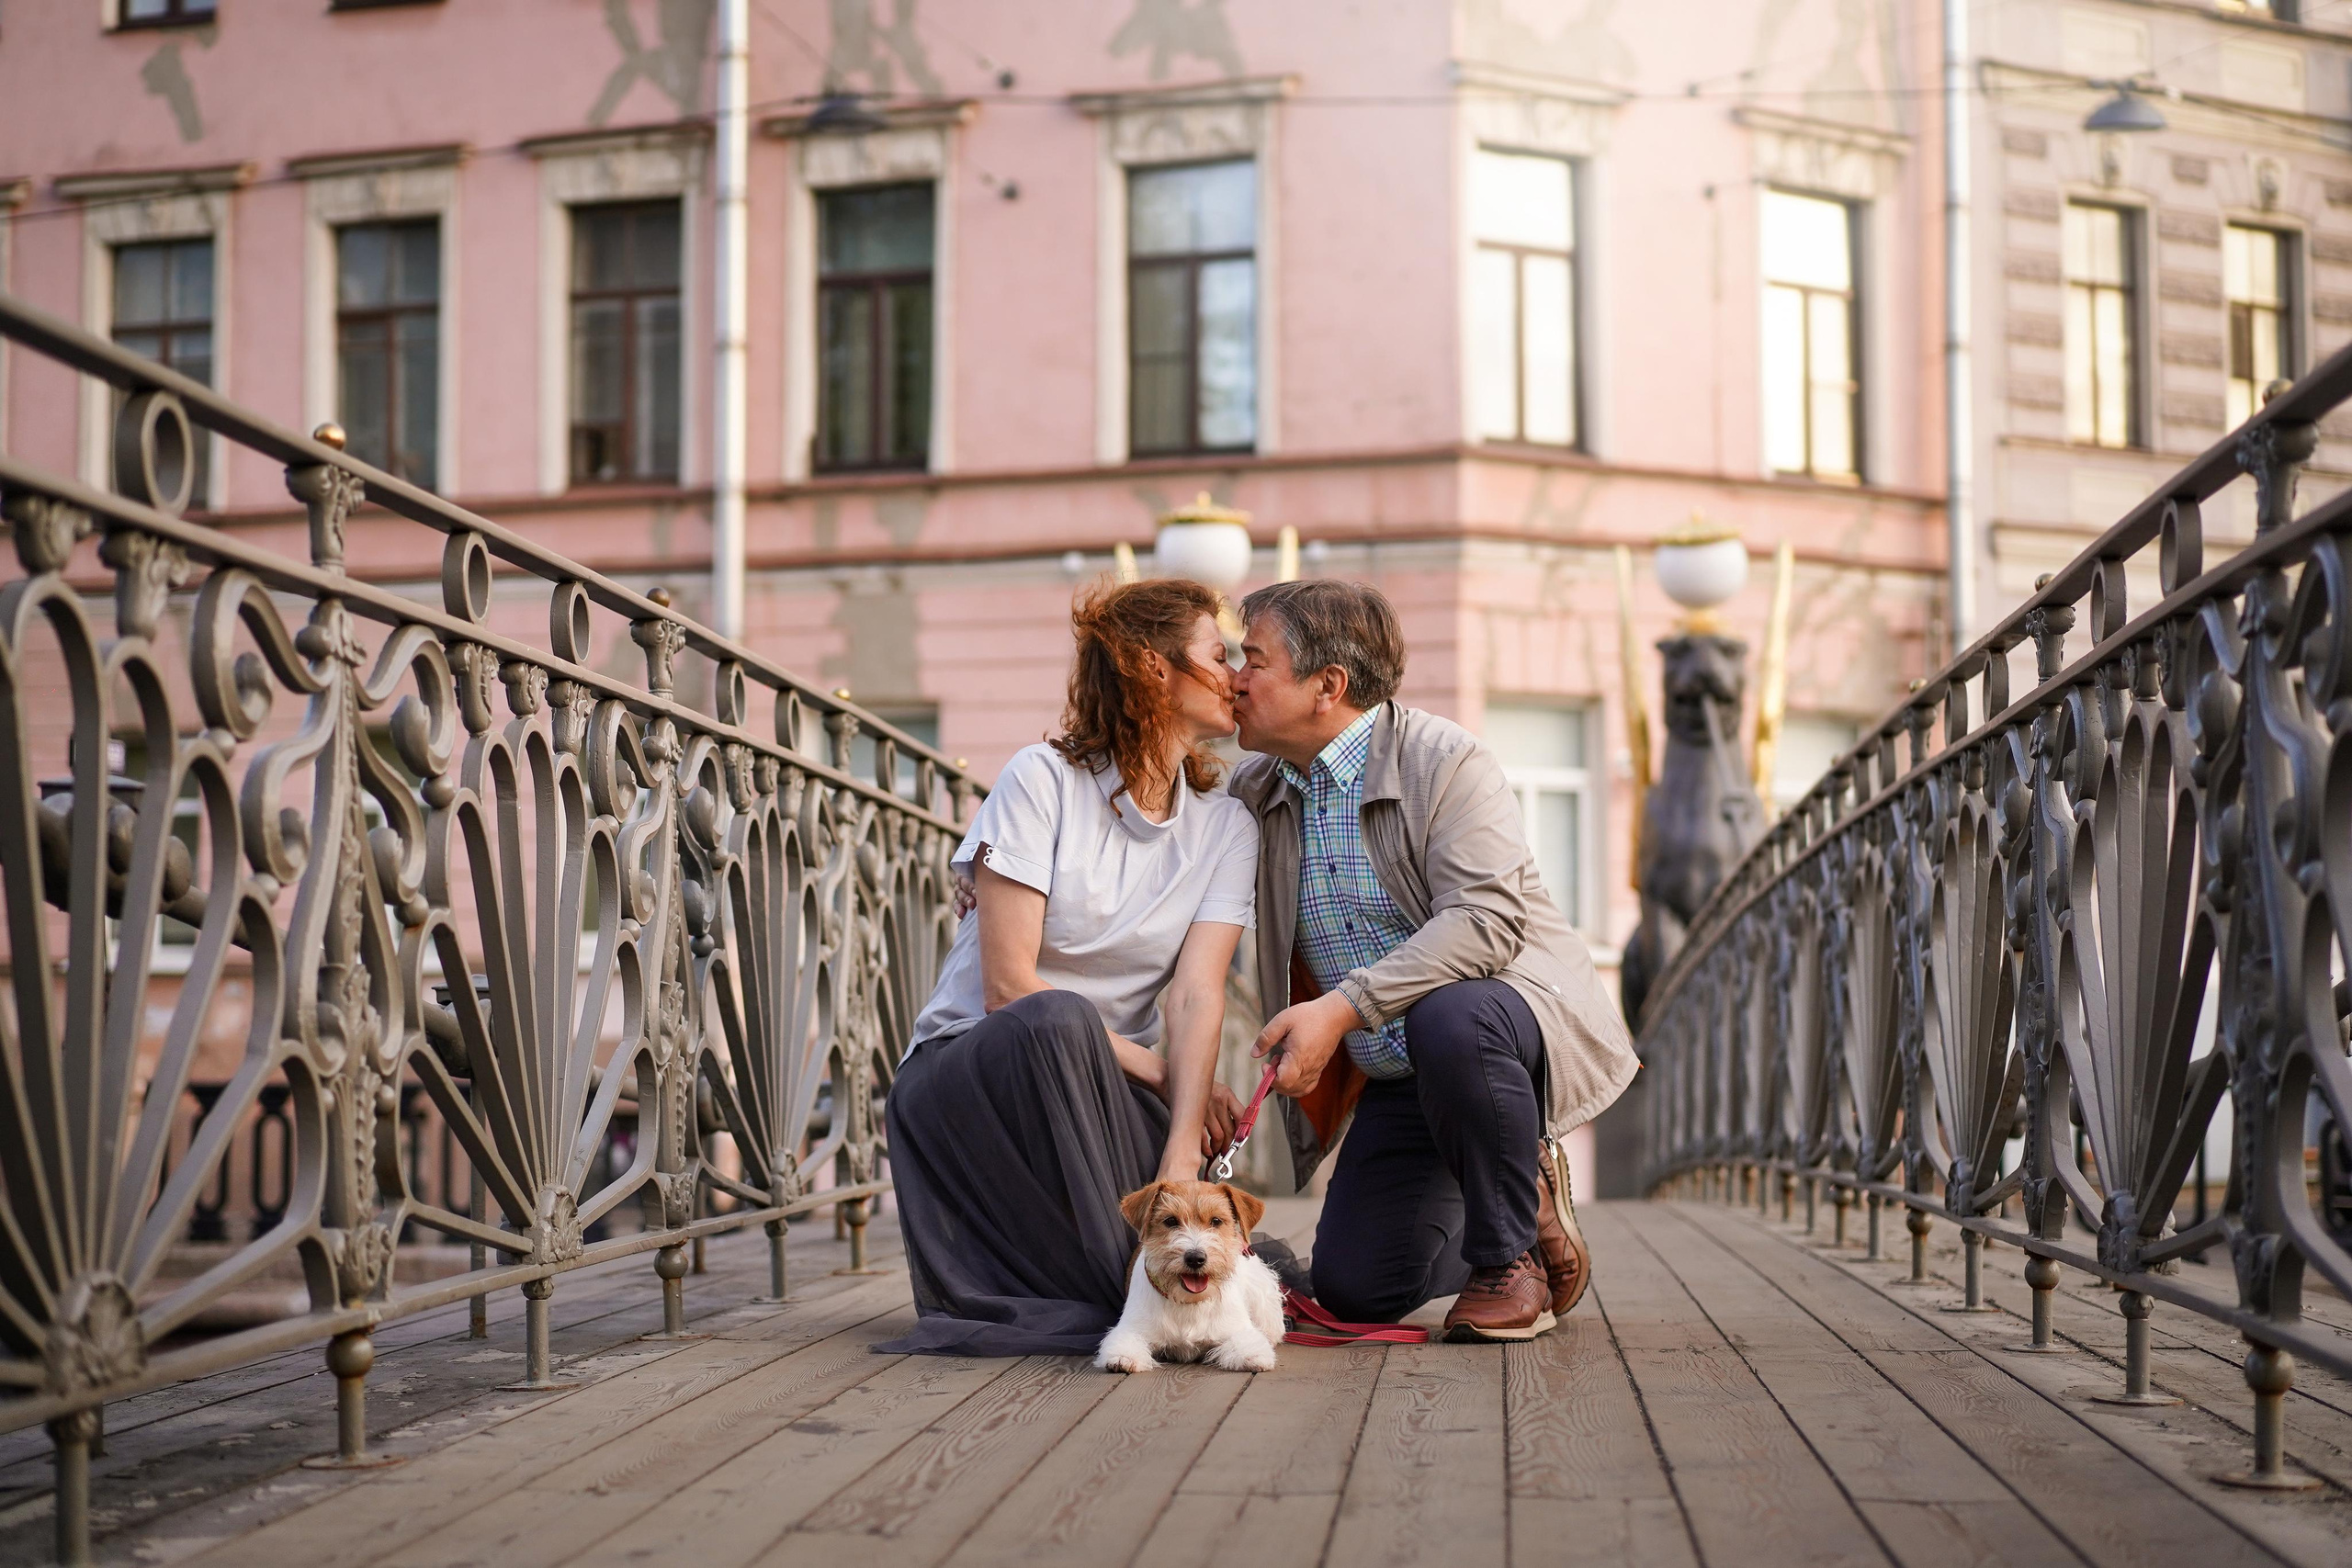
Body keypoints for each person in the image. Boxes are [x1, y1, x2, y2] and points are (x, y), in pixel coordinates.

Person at [1227, 580, 1638, 1342]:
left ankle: (1507, 1261)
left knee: (1451, 1013)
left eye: (1252, 660)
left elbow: (1486, 921)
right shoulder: (1254, 793)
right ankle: (1517, 1187)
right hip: (1398, 1075)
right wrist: (995, 866)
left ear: (1328, 686)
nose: (1233, 678)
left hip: (1491, 1028)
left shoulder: (1445, 760)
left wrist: (1341, 1009)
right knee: (1353, 1286)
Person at [879, 579, 1259, 1356]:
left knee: (1174, 1143)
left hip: (1094, 1079)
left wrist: (1183, 1152)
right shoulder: (1039, 778)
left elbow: (1195, 993)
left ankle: (1155, 1289)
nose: (1236, 674)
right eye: (1219, 655)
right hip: (974, 1072)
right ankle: (1124, 1295)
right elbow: (1009, 987)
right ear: (1154, 668)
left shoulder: (1226, 825)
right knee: (1058, 1019)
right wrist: (1162, 1072)